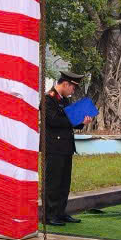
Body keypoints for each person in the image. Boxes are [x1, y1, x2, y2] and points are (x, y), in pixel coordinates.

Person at [42, 70, 95, 225]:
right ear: (65, 84)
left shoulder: (64, 100)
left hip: (66, 146)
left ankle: (60, 212)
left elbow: (71, 120)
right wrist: (74, 121)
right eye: (73, 87)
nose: (73, 91)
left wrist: (83, 121)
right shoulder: (48, 99)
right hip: (53, 146)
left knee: (64, 183)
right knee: (53, 183)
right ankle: (49, 215)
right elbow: (53, 121)